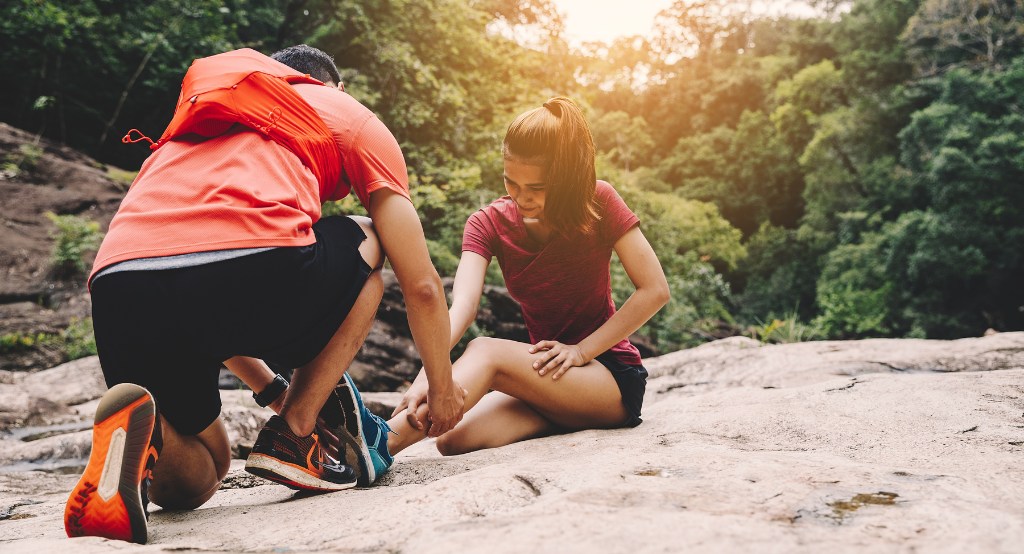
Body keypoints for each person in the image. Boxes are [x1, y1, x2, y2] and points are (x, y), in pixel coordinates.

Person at [64, 45, 465, 544]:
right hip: (242, 267)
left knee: (202, 475)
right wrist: (443, 389)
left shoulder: (213, 108)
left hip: (120, 281)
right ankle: (296, 436)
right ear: (335, 89)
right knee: (370, 237)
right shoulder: (347, 114)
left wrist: (273, 389)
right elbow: (422, 284)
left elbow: (204, 285)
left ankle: (146, 438)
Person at [361, 96, 670, 461]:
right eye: (512, 182)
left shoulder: (598, 201)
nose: (521, 197)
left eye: (536, 188)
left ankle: (376, 448)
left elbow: (655, 290)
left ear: (563, 177)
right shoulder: (487, 223)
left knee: (486, 351)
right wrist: (427, 379)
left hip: (608, 377)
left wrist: (581, 350)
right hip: (550, 380)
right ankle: (563, 412)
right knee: (452, 437)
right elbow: (462, 307)